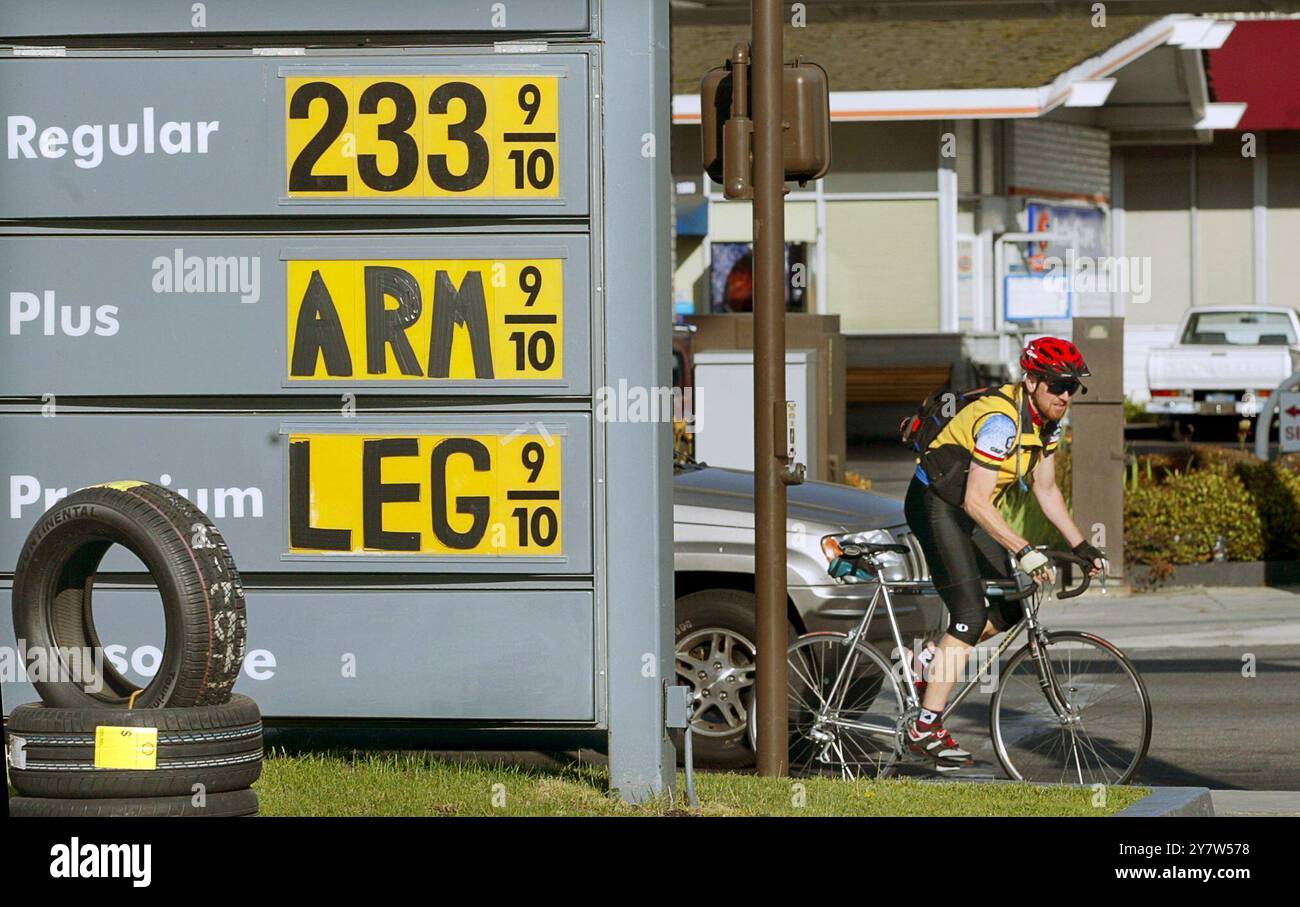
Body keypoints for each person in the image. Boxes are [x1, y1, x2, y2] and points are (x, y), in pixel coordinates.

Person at [901, 337, 1105, 767]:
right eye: (1057, 385)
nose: (1065, 396)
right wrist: (1024, 548)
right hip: (936, 504)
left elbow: (1046, 489)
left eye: (1073, 387)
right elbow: (977, 501)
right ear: (1031, 381)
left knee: (1011, 607)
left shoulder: (1047, 423)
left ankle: (928, 660)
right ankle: (925, 726)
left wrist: (1081, 544)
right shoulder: (1002, 422)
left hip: (968, 508)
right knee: (970, 615)